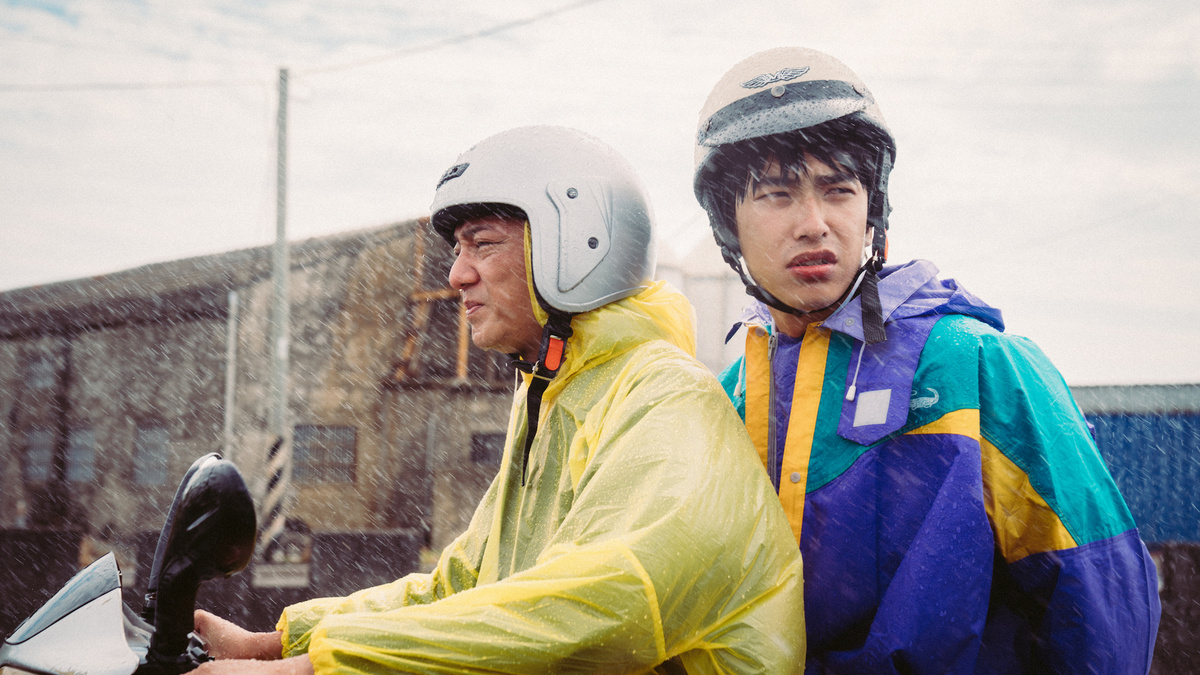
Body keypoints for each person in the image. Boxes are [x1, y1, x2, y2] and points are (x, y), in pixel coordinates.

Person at [193, 125, 806, 674]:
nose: (457, 275)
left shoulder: (665, 395)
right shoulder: (553, 396)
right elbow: (464, 587)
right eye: (458, 250)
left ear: (577, 244)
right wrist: (281, 642)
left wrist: (316, 671)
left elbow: (600, 608)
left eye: (482, 244)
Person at [692, 47, 1161, 673]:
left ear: (872, 211)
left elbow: (1103, 599)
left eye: (839, 190)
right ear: (729, 226)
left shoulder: (979, 364)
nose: (814, 223)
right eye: (776, 195)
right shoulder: (728, 399)